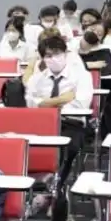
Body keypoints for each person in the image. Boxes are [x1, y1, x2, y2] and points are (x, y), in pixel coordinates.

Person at [25, 35, 92, 182]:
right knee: (24, 144)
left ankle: (56, 186)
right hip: (41, 123)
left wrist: (45, 103)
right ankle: (31, 182)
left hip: (70, 122)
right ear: (43, 58)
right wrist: (61, 100)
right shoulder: (37, 79)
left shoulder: (82, 76)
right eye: (48, 55)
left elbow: (80, 104)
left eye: (57, 53)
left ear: (65, 53)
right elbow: (30, 103)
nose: (53, 58)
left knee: (67, 148)